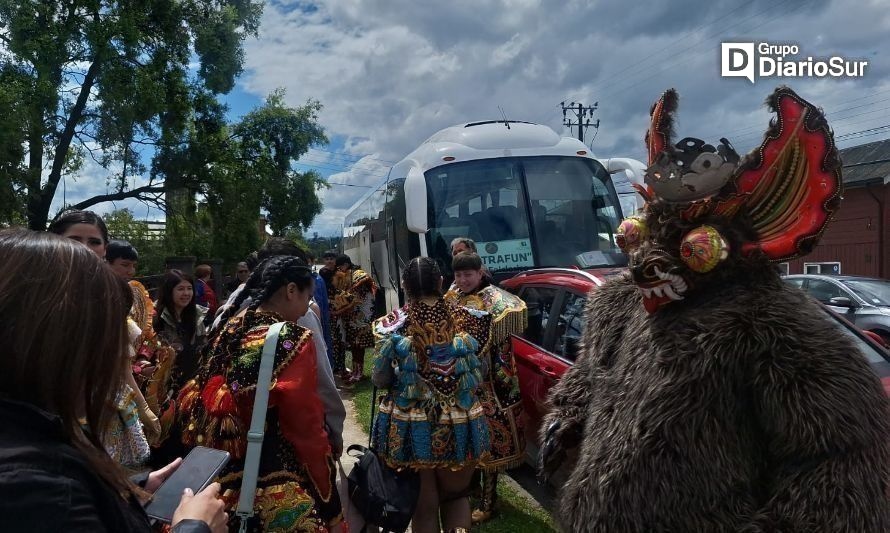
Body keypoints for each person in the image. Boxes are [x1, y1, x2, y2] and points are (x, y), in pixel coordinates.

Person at [539, 87, 890, 531]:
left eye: (685, 243)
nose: (650, 263)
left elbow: (844, 462)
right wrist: (567, 419)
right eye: (647, 235)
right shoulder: (620, 302)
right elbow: (587, 380)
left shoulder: (769, 324)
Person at [0, 229, 226, 532]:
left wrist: (132, 489)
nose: (114, 356)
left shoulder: (33, 434)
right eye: (104, 332)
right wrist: (196, 526)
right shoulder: (36, 487)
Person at [178, 255, 343, 531]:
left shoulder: (228, 329)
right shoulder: (292, 339)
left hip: (215, 494)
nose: (305, 310)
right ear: (291, 291)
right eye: (307, 298)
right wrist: (330, 502)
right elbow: (306, 429)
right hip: (273, 491)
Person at [371, 256, 491, 533]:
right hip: (461, 422)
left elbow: (379, 377)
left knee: (425, 506)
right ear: (441, 282)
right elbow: (480, 371)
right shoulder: (472, 319)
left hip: (413, 428)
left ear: (404, 286)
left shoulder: (393, 324)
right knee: (457, 497)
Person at [49, 214, 155, 468]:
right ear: (54, 242)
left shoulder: (113, 295)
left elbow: (120, 364)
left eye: (94, 241)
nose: (84, 248)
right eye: (74, 239)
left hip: (103, 408)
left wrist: (143, 406)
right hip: (49, 406)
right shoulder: (39, 291)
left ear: (104, 249)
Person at [446, 252, 527, 523]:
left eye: (468, 274)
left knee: (490, 447)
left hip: (490, 385)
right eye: (458, 275)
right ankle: (471, 488)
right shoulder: (452, 296)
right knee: (468, 442)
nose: (462, 280)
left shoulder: (498, 301)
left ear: (480, 273)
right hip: (462, 383)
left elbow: (503, 351)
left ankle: (488, 502)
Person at [106, 239, 163, 447]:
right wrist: (143, 406)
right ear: (106, 262)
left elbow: (145, 341)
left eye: (133, 266)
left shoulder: (128, 295)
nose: (130, 271)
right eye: (124, 265)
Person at [149, 269, 208, 465]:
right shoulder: (156, 319)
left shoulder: (197, 316)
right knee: (167, 437)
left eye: (189, 288)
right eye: (180, 289)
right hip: (165, 389)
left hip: (192, 385)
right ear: (168, 291)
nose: (186, 293)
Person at [330, 254, 377, 384]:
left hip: (361, 319)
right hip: (352, 318)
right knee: (354, 346)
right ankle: (356, 371)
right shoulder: (347, 276)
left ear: (345, 264)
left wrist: (339, 310)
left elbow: (356, 299)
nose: (338, 270)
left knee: (358, 345)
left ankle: (359, 373)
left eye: (339, 267)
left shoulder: (359, 276)